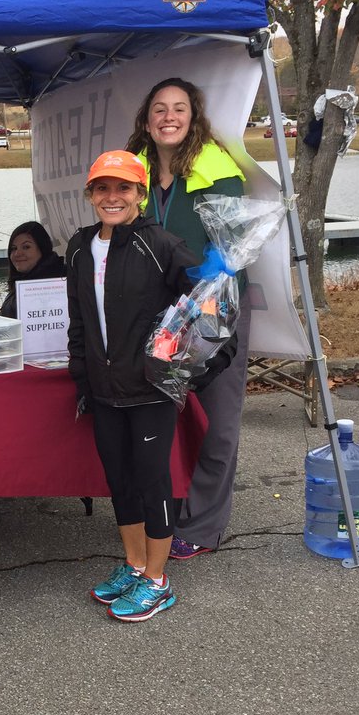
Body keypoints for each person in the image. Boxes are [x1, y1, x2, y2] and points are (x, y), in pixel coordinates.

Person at [66, 150, 197, 623]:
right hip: (104, 390)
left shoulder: (160, 243)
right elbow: (78, 320)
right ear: (91, 195)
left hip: (148, 390)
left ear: (140, 194)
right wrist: (82, 377)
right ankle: (136, 565)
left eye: (123, 188)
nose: (112, 197)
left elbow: (206, 305)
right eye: (103, 188)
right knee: (119, 480)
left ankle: (159, 581)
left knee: (151, 480)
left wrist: (186, 368)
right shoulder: (79, 247)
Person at [125, 76, 248, 560]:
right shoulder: (132, 169)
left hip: (213, 311)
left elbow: (236, 241)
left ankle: (202, 525)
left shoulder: (218, 168)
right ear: (147, 119)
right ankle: (165, 514)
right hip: (154, 315)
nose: (169, 117)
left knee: (217, 423)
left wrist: (212, 282)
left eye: (179, 108)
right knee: (160, 420)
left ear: (193, 117)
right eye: (159, 108)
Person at [0, 221, 66, 318]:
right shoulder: (21, 281)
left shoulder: (62, 282)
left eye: (26, 247)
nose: (18, 253)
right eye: (14, 248)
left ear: (42, 248)